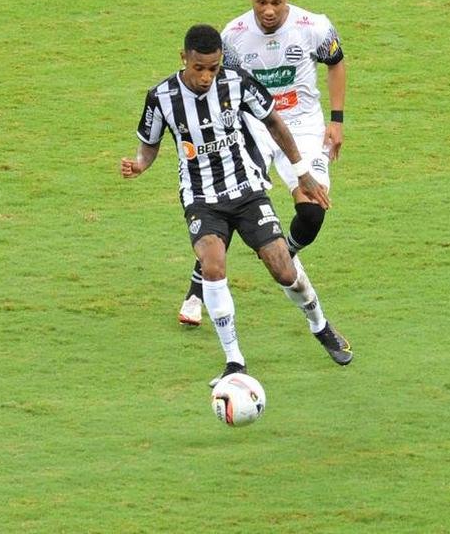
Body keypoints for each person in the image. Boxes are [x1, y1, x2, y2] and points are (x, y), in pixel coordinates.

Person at [121, 25, 346, 384]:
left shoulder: (236, 83)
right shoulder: (161, 96)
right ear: (184, 59)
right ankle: (234, 360)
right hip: (201, 198)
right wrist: (139, 165)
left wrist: (302, 173)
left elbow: (274, 122)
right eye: (199, 68)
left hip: (247, 190)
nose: (206, 77)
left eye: (213, 68)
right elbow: (149, 145)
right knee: (213, 266)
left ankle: (320, 325)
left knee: (283, 270)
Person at [175, 0, 353, 366]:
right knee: (235, 203)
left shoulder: (314, 27)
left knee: (311, 212)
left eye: (276, 2)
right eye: (261, 3)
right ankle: (199, 285)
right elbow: (219, 85)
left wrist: (337, 120)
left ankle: (281, 252)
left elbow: (336, 61)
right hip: (253, 128)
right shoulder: (233, 37)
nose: (269, 11)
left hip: (303, 127)